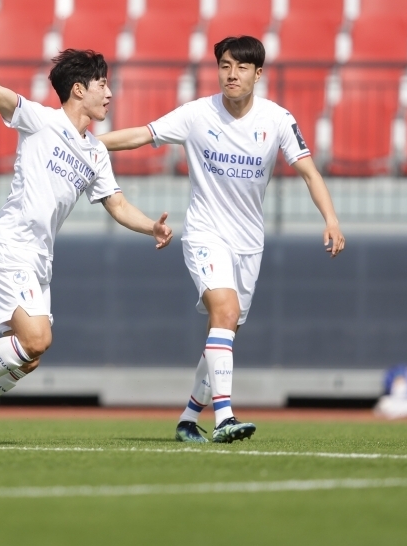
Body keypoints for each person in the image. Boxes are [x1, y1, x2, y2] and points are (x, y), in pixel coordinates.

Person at [0, 4, 173, 445]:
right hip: (9, 245)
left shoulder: (95, 152)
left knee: (29, 359)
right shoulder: (41, 121)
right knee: (37, 340)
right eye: (102, 85)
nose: (110, 94)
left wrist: (151, 226)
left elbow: (116, 204)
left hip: (39, 259)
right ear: (79, 90)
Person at [100, 35, 345, 443]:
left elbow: (309, 171)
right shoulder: (197, 114)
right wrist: (86, 142)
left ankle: (188, 417)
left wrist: (331, 220)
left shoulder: (277, 119)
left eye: (242, 67)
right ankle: (225, 417)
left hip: (249, 243)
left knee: (225, 329)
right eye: (225, 66)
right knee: (225, 313)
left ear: (258, 73)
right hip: (204, 233)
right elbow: (143, 135)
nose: (232, 74)